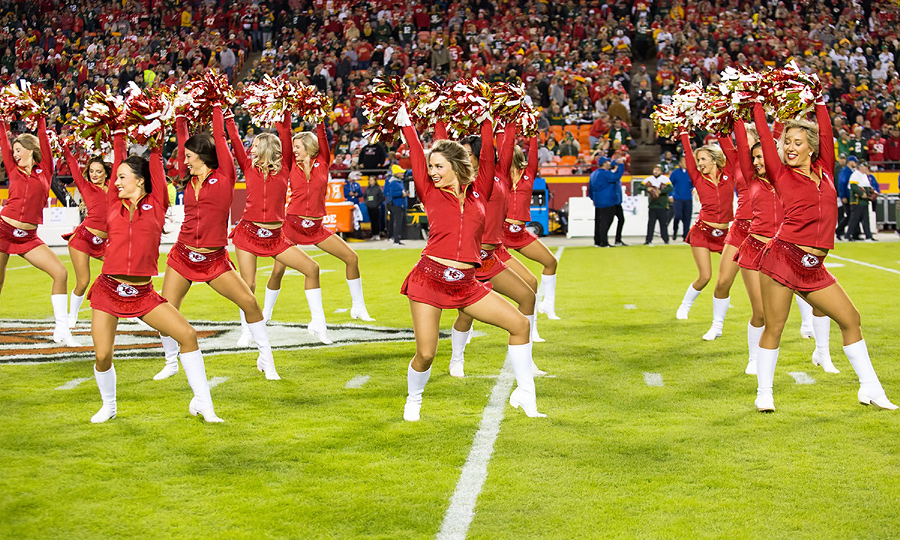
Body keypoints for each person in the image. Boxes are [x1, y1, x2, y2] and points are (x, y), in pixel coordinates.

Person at [398, 111, 543, 421]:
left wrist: (487, 118)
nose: (433, 172)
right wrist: (405, 122)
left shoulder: (482, 190)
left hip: (467, 282)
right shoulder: (430, 193)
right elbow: (414, 152)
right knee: (426, 354)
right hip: (430, 280)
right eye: (431, 167)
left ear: (456, 166)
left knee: (520, 325)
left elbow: (490, 158)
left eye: (439, 166)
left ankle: (526, 396)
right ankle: (414, 397)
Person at [752, 101, 895, 411]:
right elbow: (764, 136)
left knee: (851, 319)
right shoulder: (780, 174)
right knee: (774, 326)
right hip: (783, 257)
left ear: (811, 148)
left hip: (814, 265)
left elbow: (827, 132)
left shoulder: (826, 170)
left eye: (797, 142)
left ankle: (870, 387)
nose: (789, 147)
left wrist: (818, 102)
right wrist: (757, 105)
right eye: (786, 142)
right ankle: (764, 393)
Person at [89, 131, 222, 423]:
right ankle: (109, 405)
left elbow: (156, 164)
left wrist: (154, 135)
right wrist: (120, 134)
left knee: (187, 335)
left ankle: (204, 404)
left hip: (142, 293)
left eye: (123, 177)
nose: (118, 182)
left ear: (140, 180)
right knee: (102, 356)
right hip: (109, 290)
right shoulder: (113, 203)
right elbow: (117, 155)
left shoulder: (157, 203)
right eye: (117, 177)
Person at [153, 105, 277, 381]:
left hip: (214, 258)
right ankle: (171, 361)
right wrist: (181, 115)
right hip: (183, 254)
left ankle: (266, 359)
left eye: (188, 155)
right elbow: (182, 134)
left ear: (202, 155)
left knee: (250, 303)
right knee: (165, 309)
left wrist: (218, 106)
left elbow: (220, 138)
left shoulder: (225, 177)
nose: (183, 160)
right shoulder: (188, 180)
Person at [224, 110, 334, 378]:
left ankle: (318, 324)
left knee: (311, 268)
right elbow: (235, 139)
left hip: (275, 237)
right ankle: (245, 330)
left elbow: (284, 131)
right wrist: (226, 117)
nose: (250, 150)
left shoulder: (285, 166)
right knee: (247, 285)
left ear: (266, 149)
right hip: (248, 233)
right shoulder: (248, 167)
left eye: (255, 147)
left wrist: (283, 107)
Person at [733, 121, 836, 377]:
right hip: (760, 249)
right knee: (762, 314)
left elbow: (777, 139)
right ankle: (754, 359)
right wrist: (738, 113)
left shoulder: (786, 177)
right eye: (754, 157)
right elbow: (752, 144)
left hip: (788, 249)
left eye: (762, 156)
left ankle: (822, 352)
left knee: (822, 306)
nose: (758, 161)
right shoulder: (752, 179)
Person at [446, 123, 547, 378]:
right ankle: (456, 359)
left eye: (468, 153)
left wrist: (505, 116)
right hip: (470, 259)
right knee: (466, 315)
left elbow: (502, 142)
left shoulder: (499, 174)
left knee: (527, 295)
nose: (463, 158)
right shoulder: (463, 182)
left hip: (492, 255)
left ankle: (527, 360)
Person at [266, 123, 374, 327]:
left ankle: (358, 306)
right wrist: (286, 117)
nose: (294, 150)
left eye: (298, 146)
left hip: (316, 227)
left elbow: (323, 137)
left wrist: (318, 118)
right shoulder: (290, 163)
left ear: (309, 146)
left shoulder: (323, 161)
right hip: (292, 225)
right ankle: (266, 312)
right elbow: (284, 134)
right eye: (293, 146)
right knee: (277, 271)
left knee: (351, 258)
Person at [0, 116, 78, 347]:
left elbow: (44, 139)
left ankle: (62, 329)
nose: (14, 154)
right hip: (3, 230)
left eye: (19, 150)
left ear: (31, 150)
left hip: (28, 237)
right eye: (13, 151)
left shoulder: (45, 169)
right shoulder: (13, 169)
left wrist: (41, 117)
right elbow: (3, 140)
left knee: (60, 273)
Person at [503, 129, 562, 319]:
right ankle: (466, 328)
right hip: (500, 234)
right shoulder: (498, 176)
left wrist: (532, 131)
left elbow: (534, 154)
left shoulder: (528, 174)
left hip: (519, 232)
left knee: (550, 262)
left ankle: (548, 305)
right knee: (482, 280)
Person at [674, 132, 734, 320]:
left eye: (703, 159)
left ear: (715, 160)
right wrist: (683, 131)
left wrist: (721, 127)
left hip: (725, 234)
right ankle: (685, 305)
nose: (699, 163)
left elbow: (731, 150)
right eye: (698, 159)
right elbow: (688, 153)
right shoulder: (698, 178)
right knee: (705, 276)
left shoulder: (729, 174)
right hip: (702, 232)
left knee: (735, 273)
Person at [61, 145, 110, 328]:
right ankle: (71, 317)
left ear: (106, 173)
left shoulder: (114, 188)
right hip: (83, 239)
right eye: (91, 171)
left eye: (99, 171)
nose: (95, 175)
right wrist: (66, 148)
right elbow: (73, 166)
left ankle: (125, 309)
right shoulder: (85, 186)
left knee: (121, 270)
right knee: (83, 281)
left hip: (103, 243)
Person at [589, 156, 625, 248]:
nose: (609, 163)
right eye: (608, 162)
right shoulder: (605, 174)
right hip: (608, 201)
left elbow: (590, 189)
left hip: (598, 201)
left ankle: (597, 241)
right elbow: (616, 176)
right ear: (604, 164)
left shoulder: (594, 174)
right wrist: (621, 164)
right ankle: (604, 242)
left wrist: (593, 198)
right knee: (606, 222)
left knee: (598, 222)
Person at [638, 165, 671, 245]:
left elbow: (670, 188)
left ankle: (666, 239)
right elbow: (639, 186)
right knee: (651, 224)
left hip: (662, 205)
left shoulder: (665, 179)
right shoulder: (649, 179)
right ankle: (648, 240)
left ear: (661, 171)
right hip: (652, 205)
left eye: (658, 170)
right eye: (655, 169)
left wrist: (660, 191)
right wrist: (647, 188)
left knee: (663, 224)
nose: (656, 171)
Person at [846, 161, 875, 242]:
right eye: (865, 166)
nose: (866, 168)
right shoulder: (855, 175)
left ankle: (868, 235)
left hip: (864, 201)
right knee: (854, 219)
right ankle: (849, 234)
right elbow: (853, 186)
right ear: (860, 167)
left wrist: (872, 192)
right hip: (857, 201)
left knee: (866, 219)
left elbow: (867, 186)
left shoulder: (864, 176)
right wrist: (862, 194)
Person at [668, 156, 693, 241]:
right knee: (678, 215)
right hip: (678, 198)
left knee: (687, 217)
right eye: (684, 162)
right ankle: (675, 231)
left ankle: (685, 235)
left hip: (688, 198)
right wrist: (670, 195)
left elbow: (694, 184)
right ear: (680, 163)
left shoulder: (691, 173)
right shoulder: (675, 173)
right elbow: (670, 185)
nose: (686, 164)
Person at [384, 171, 407, 245]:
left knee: (399, 222)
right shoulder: (394, 182)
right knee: (397, 222)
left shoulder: (399, 182)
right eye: (401, 173)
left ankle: (397, 238)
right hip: (396, 205)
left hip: (400, 205)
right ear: (397, 174)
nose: (403, 174)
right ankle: (396, 239)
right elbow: (392, 193)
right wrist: (401, 193)